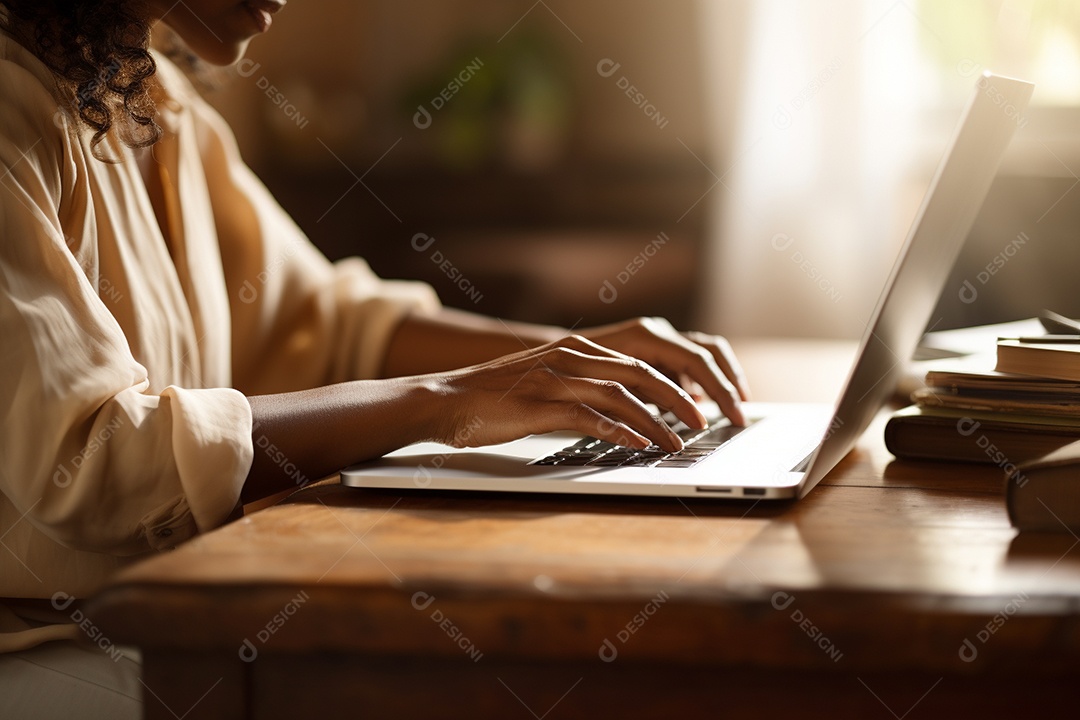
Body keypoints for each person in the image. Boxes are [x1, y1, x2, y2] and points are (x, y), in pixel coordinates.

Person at [0, 0, 749, 716]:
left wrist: (569, 358)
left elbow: (323, 323)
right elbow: (96, 456)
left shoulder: (151, 97)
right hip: (45, 645)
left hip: (167, 610)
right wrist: (444, 403)